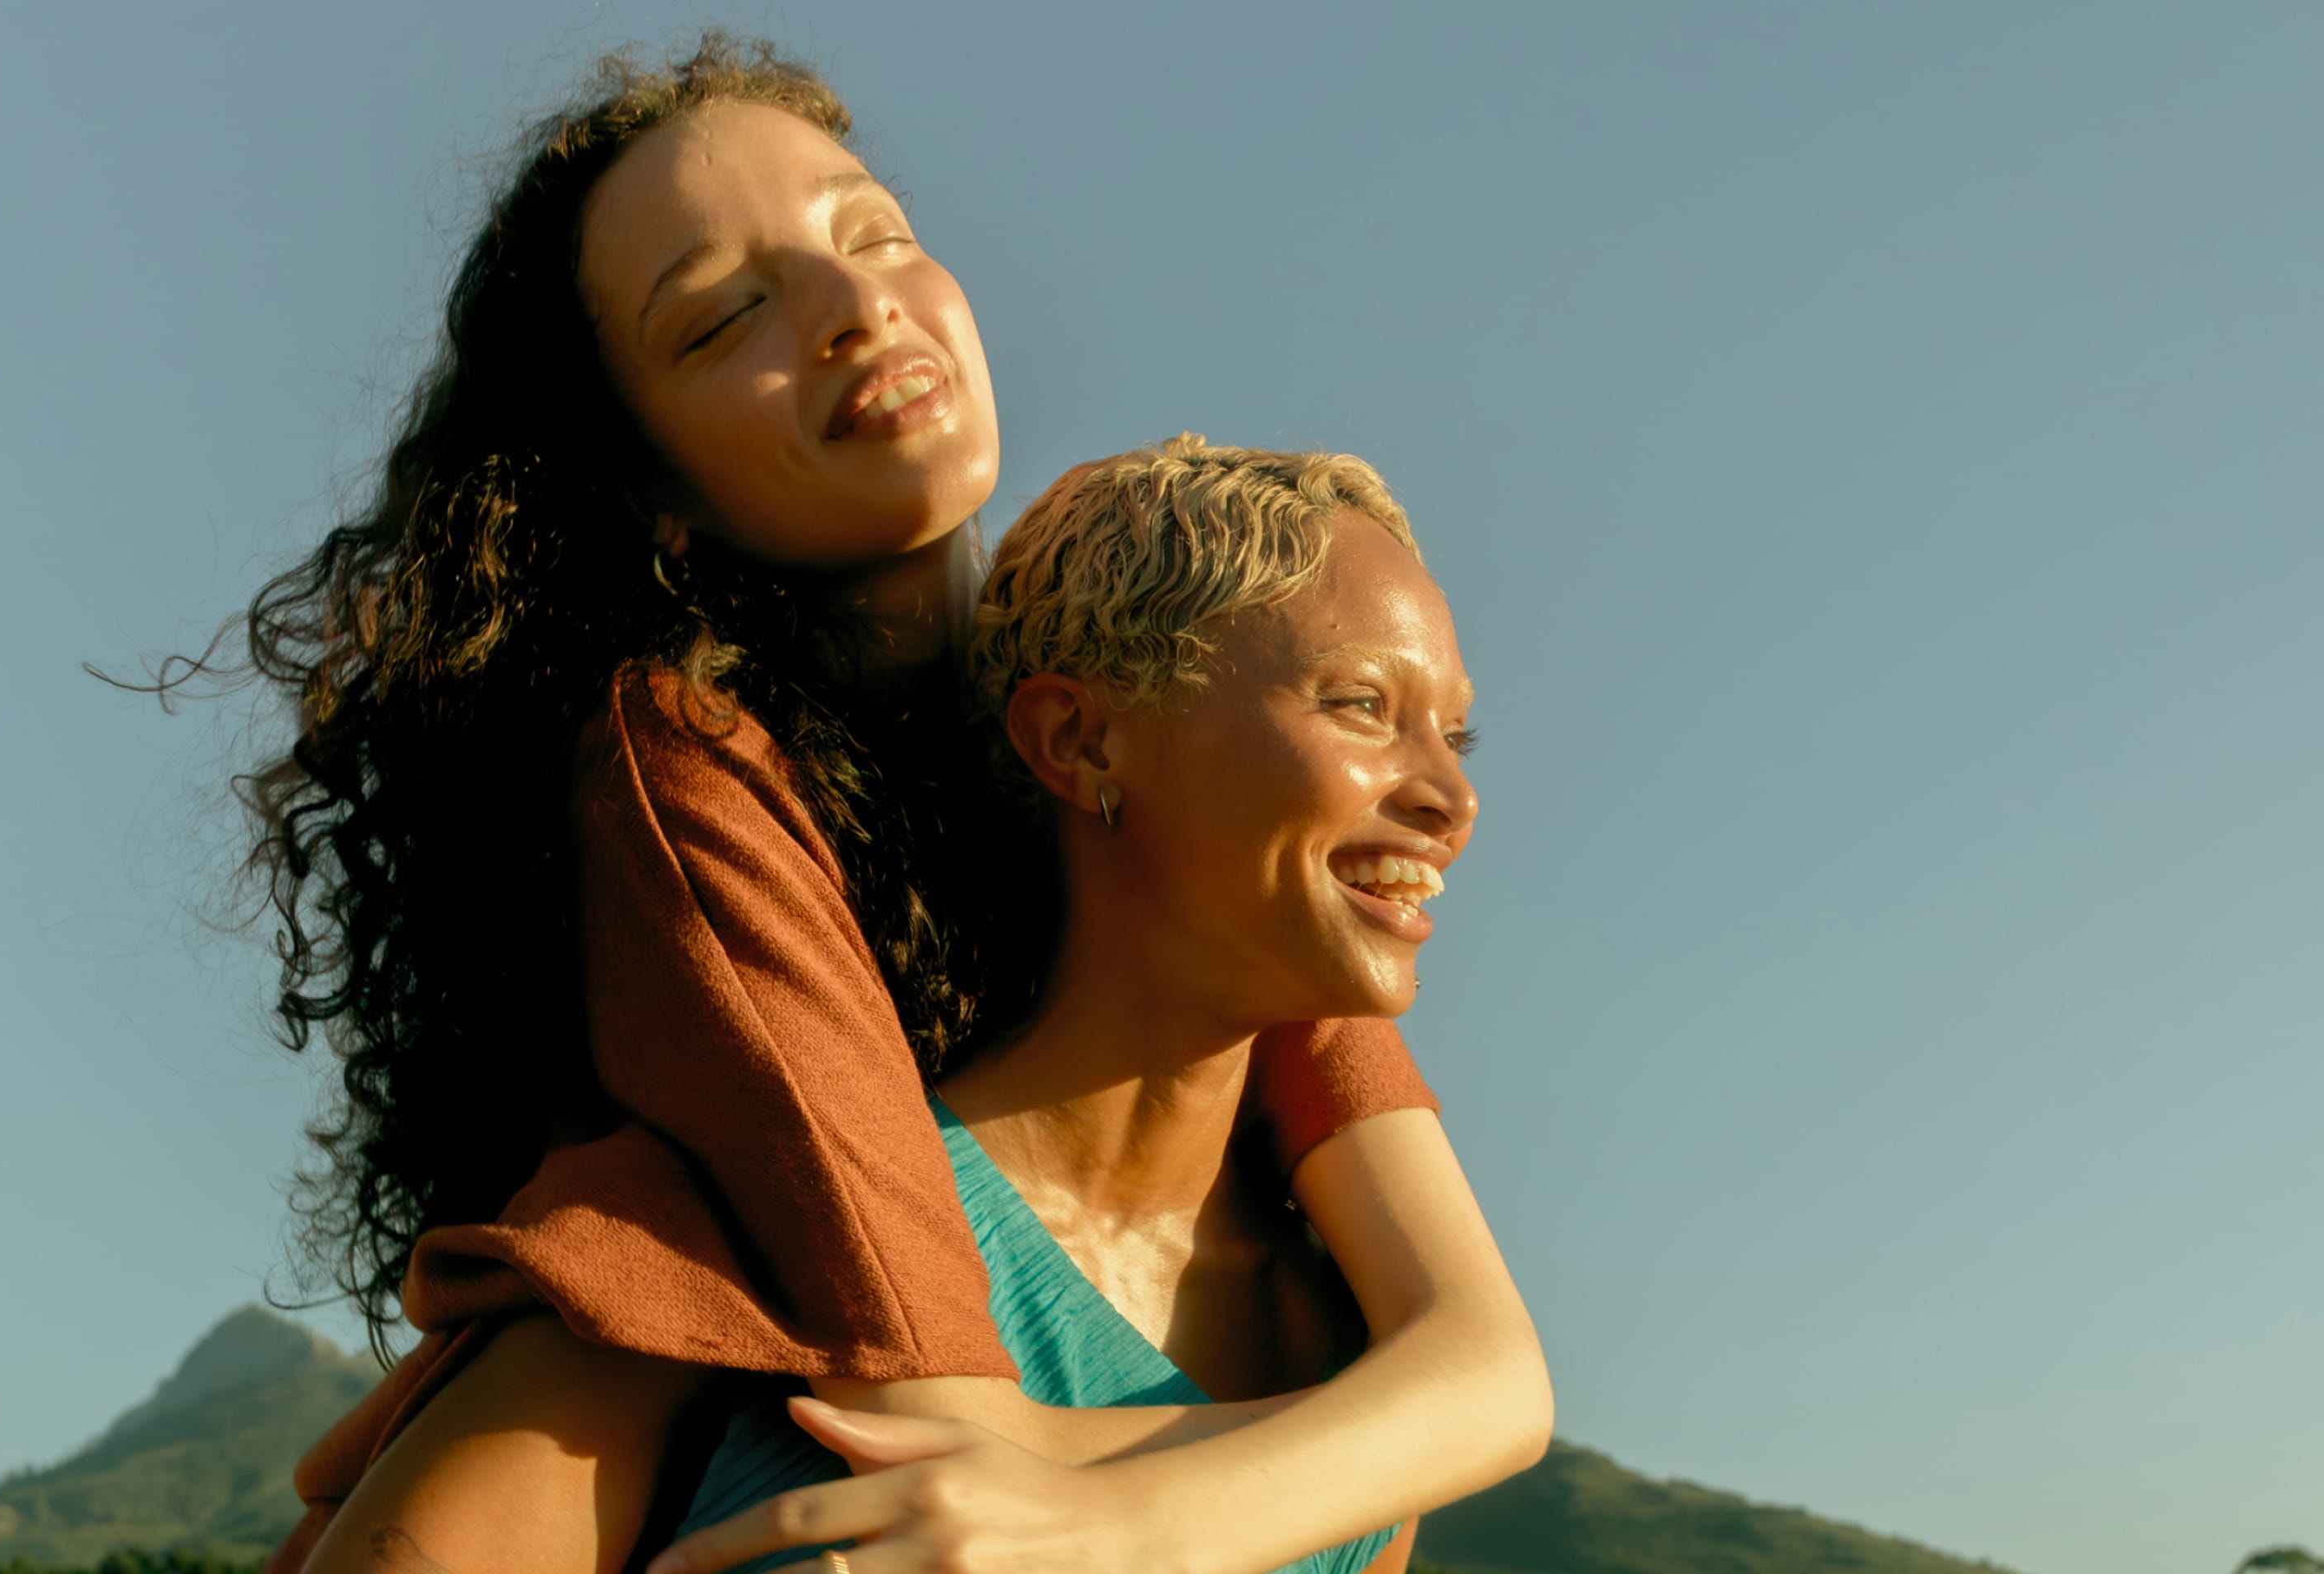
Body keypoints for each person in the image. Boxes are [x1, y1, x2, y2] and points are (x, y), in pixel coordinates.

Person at [157, 35, 1549, 1574]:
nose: (852, 304)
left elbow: (1480, 1371)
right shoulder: (685, 771)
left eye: (875, 230)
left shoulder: (1184, 799)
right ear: (645, 486)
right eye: (726, 314)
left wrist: (1163, 1492)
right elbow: (943, 1420)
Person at [646, 437, 1540, 1573]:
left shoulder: (1354, 1357)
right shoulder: (778, 1227)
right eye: (1362, 704)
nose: (1450, 796)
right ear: (1078, 738)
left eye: (1453, 733)